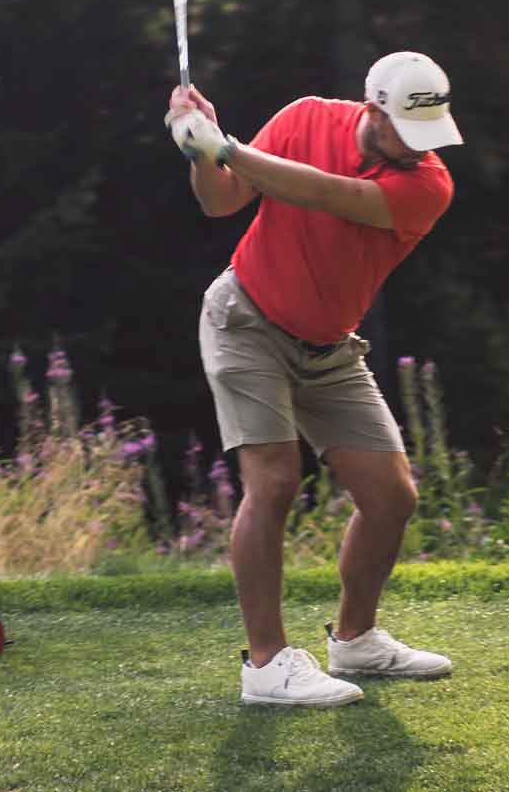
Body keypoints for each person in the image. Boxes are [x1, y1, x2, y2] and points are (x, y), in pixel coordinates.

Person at [164, 51, 463, 707]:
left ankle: (355, 639)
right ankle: (266, 667)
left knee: (391, 495)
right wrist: (201, 154)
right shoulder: (305, 118)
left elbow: (332, 194)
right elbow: (221, 202)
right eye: (407, 130)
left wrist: (227, 145)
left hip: (328, 348)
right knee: (271, 479)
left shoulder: (428, 185)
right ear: (373, 109)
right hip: (244, 321)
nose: (422, 147)